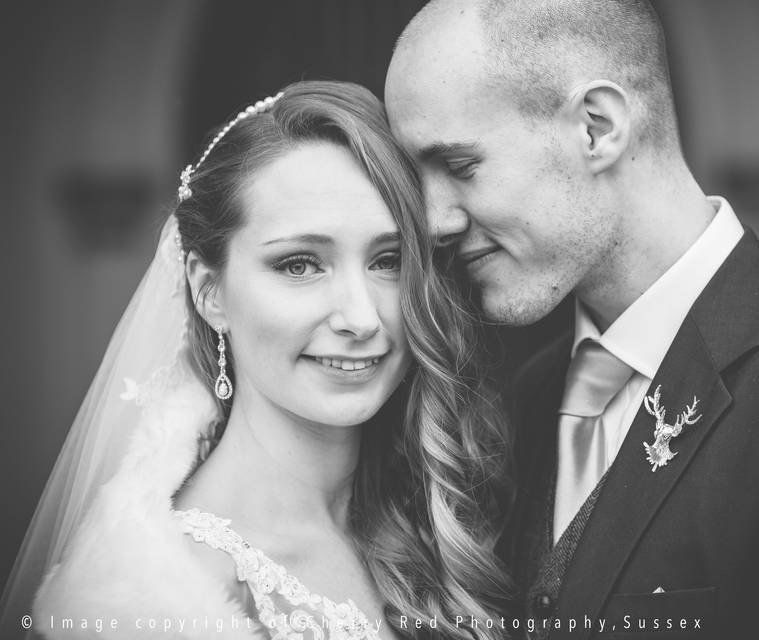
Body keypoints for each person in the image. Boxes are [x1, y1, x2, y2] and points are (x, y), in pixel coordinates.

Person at [384, 1, 759, 639]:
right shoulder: (521, 399)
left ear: (597, 128)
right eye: (418, 180)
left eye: (460, 167)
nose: (434, 221)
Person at [0, 80, 511, 640]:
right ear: (208, 292)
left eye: (388, 261)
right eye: (299, 265)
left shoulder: (444, 521)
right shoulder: (148, 597)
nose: (362, 319)